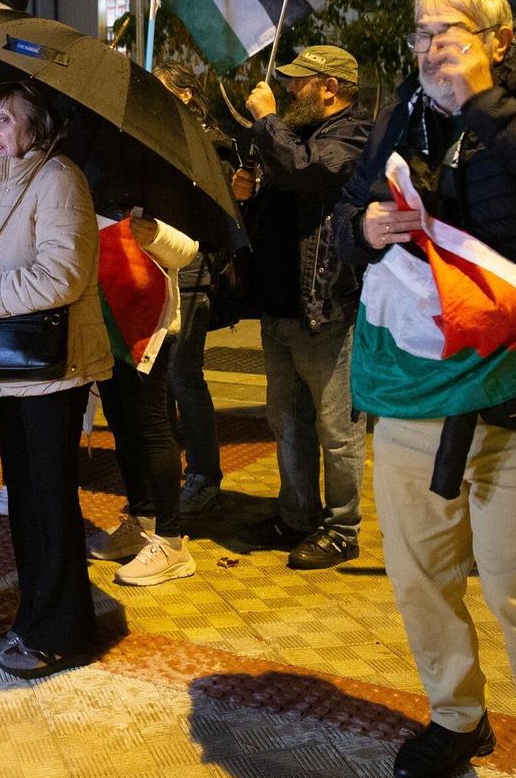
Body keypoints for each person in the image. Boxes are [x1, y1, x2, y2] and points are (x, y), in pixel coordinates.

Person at [335, 0, 516, 778]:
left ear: (498, 39)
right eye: (420, 34)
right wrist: (365, 227)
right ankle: (457, 715)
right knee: (419, 573)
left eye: (447, 31)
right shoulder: (401, 115)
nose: (428, 48)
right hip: (421, 394)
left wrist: (487, 103)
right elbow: (347, 211)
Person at [0, 81, 113, 678]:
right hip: (9, 371)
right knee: (25, 508)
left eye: (5, 119)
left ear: (35, 126)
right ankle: (32, 620)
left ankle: (64, 631)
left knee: (50, 504)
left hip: (51, 369)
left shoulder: (60, 180)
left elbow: (62, 277)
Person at [234, 45, 373, 571]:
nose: (290, 90)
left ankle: (342, 528)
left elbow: (307, 174)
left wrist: (267, 118)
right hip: (280, 307)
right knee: (287, 420)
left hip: (326, 308)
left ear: (330, 87)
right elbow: (282, 195)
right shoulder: (302, 136)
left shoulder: (354, 134)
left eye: (300, 82)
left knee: (337, 429)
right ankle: (295, 515)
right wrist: (248, 194)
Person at [89, 208, 202, 587]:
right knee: (122, 425)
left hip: (146, 322)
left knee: (152, 427)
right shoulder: (87, 181)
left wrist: (152, 232)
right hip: (102, 321)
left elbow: (188, 250)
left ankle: (171, 542)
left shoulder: (156, 185)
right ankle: (142, 519)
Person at [152, 63, 225, 522]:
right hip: (155, 259)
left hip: (193, 264)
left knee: (183, 374)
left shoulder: (207, 142)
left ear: (183, 95)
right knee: (157, 376)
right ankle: (168, 469)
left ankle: (203, 474)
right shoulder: (154, 137)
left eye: (158, 90)